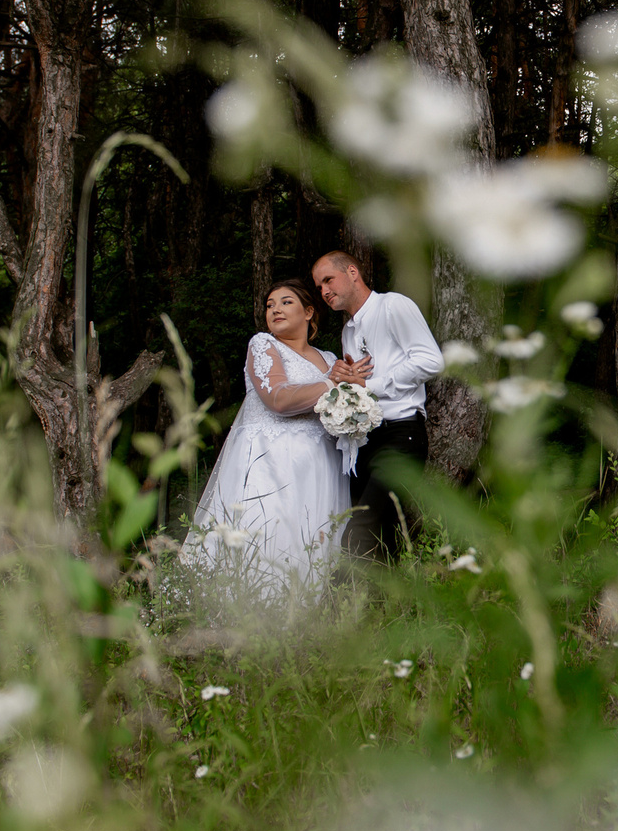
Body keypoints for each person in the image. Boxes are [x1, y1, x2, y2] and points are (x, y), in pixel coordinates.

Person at [171, 278, 349, 604]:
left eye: (286, 302)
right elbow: (278, 398)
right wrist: (331, 386)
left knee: (311, 536)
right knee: (266, 533)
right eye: (270, 305)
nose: (275, 309)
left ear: (309, 312)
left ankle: (304, 616)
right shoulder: (264, 345)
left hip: (318, 465)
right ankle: (243, 614)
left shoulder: (328, 358)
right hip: (269, 460)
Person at [312, 250, 443, 556]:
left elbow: (431, 360)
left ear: (352, 272)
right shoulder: (348, 331)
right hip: (364, 441)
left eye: (328, 280)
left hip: (401, 434)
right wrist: (344, 380)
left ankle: (338, 588)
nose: (324, 291)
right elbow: (358, 385)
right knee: (382, 541)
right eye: (319, 287)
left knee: (360, 528)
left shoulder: (392, 306)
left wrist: (370, 385)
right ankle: (385, 589)